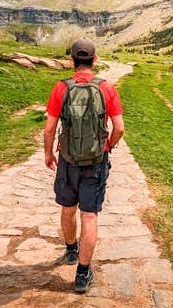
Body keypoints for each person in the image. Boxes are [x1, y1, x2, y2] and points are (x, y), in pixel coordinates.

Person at [43, 38, 124, 292]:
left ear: (71, 60)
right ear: (95, 59)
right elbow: (119, 128)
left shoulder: (61, 88)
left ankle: (70, 250)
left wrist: (49, 154)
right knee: (89, 215)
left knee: (68, 208)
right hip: (96, 161)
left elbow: (49, 129)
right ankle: (82, 274)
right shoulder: (106, 88)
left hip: (67, 160)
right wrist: (108, 145)